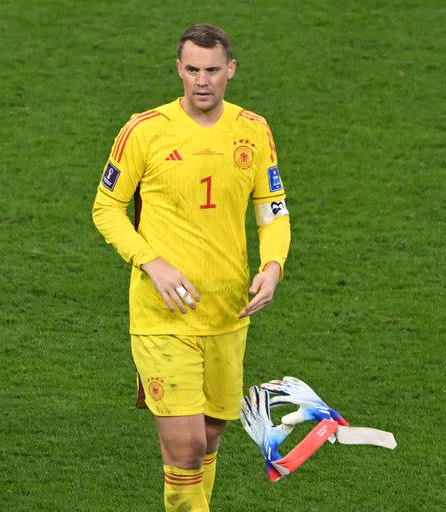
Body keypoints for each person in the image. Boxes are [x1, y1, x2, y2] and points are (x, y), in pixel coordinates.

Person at [92, 23, 291, 512]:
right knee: (184, 449)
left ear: (231, 71)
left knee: (207, 438)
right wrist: (152, 263)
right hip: (163, 316)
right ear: (178, 70)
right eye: (193, 70)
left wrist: (273, 267)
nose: (202, 81)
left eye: (213, 70)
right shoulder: (145, 131)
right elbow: (106, 208)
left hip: (228, 314)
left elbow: (272, 210)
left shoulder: (253, 130)